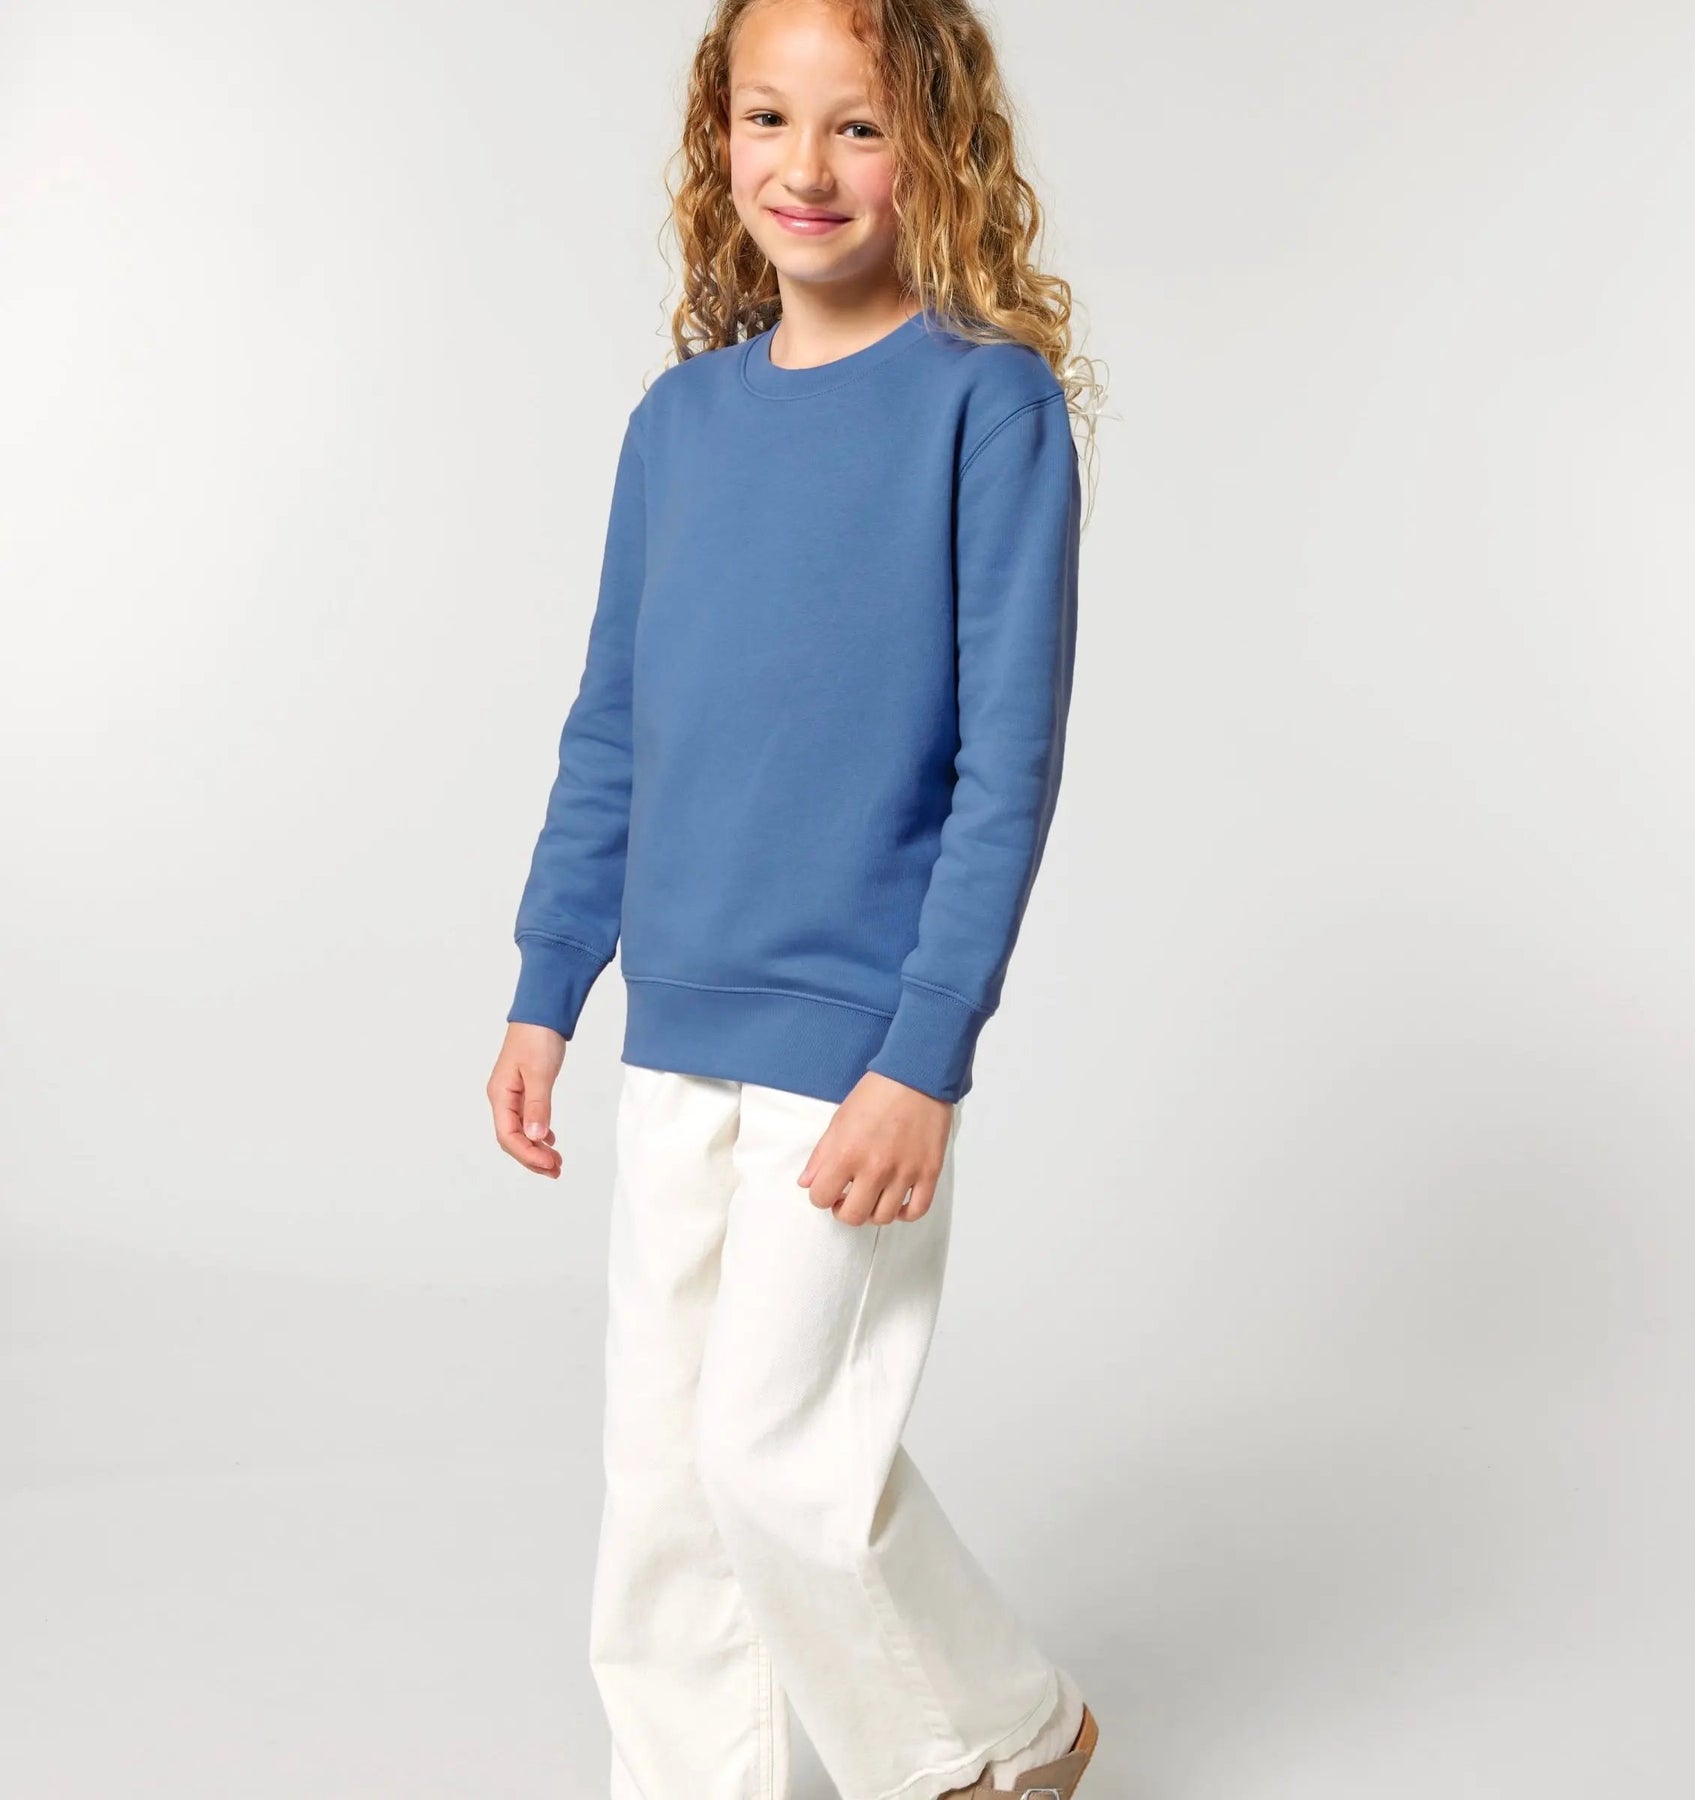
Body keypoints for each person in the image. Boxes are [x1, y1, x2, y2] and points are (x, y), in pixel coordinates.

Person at [485, 2, 1106, 1794]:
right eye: (770, 117)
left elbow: (1007, 768)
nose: (807, 168)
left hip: (855, 1050)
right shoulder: (677, 425)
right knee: (663, 1482)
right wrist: (548, 980)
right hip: (676, 1027)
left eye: (861, 125)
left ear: (940, 149)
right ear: (720, 138)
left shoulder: (986, 405)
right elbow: (614, 722)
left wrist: (926, 1055)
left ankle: (993, 1744)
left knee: (781, 1463)